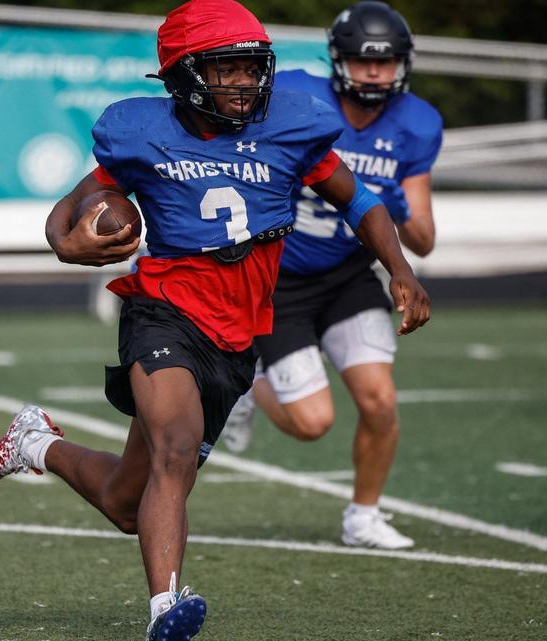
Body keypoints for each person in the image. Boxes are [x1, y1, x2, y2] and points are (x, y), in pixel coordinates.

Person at [0, 1, 429, 638]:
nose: (243, 84)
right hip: (163, 311)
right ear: (183, 77)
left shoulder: (290, 127)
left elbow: (361, 201)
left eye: (250, 69)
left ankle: (34, 442)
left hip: (238, 332)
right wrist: (68, 244)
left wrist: (398, 268)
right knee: (174, 453)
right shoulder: (142, 133)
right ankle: (166, 607)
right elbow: (69, 207)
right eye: (225, 71)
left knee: (131, 502)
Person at [218, 0, 438, 551]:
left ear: (402, 66)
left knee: (380, 400)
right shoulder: (295, 95)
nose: (374, 73)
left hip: (347, 274)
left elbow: (424, 237)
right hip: (279, 276)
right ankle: (246, 385)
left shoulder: (416, 123)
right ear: (337, 62)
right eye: (363, 62)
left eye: (385, 63)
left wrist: (388, 203)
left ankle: (363, 516)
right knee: (311, 423)